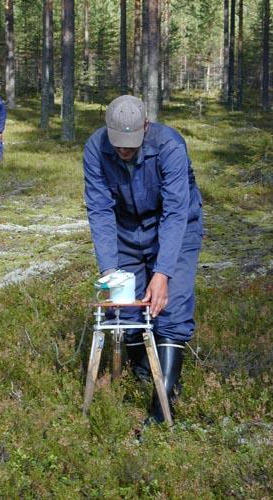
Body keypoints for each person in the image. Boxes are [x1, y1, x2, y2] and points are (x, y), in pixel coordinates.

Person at [83, 95, 203, 425]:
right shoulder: (95, 148)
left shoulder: (170, 147)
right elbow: (100, 210)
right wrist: (110, 271)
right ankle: (142, 369)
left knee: (171, 304)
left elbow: (177, 212)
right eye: (117, 143)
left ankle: (161, 407)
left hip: (177, 224)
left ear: (146, 126)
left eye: (131, 143)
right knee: (128, 303)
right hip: (125, 228)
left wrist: (163, 273)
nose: (123, 150)